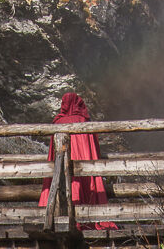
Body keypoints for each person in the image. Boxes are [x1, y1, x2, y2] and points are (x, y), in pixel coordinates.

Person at [38, 92, 117, 230]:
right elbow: (93, 148)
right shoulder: (83, 121)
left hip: (61, 165)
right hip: (83, 164)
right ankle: (88, 217)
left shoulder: (57, 123)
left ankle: (57, 216)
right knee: (85, 184)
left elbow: (52, 151)